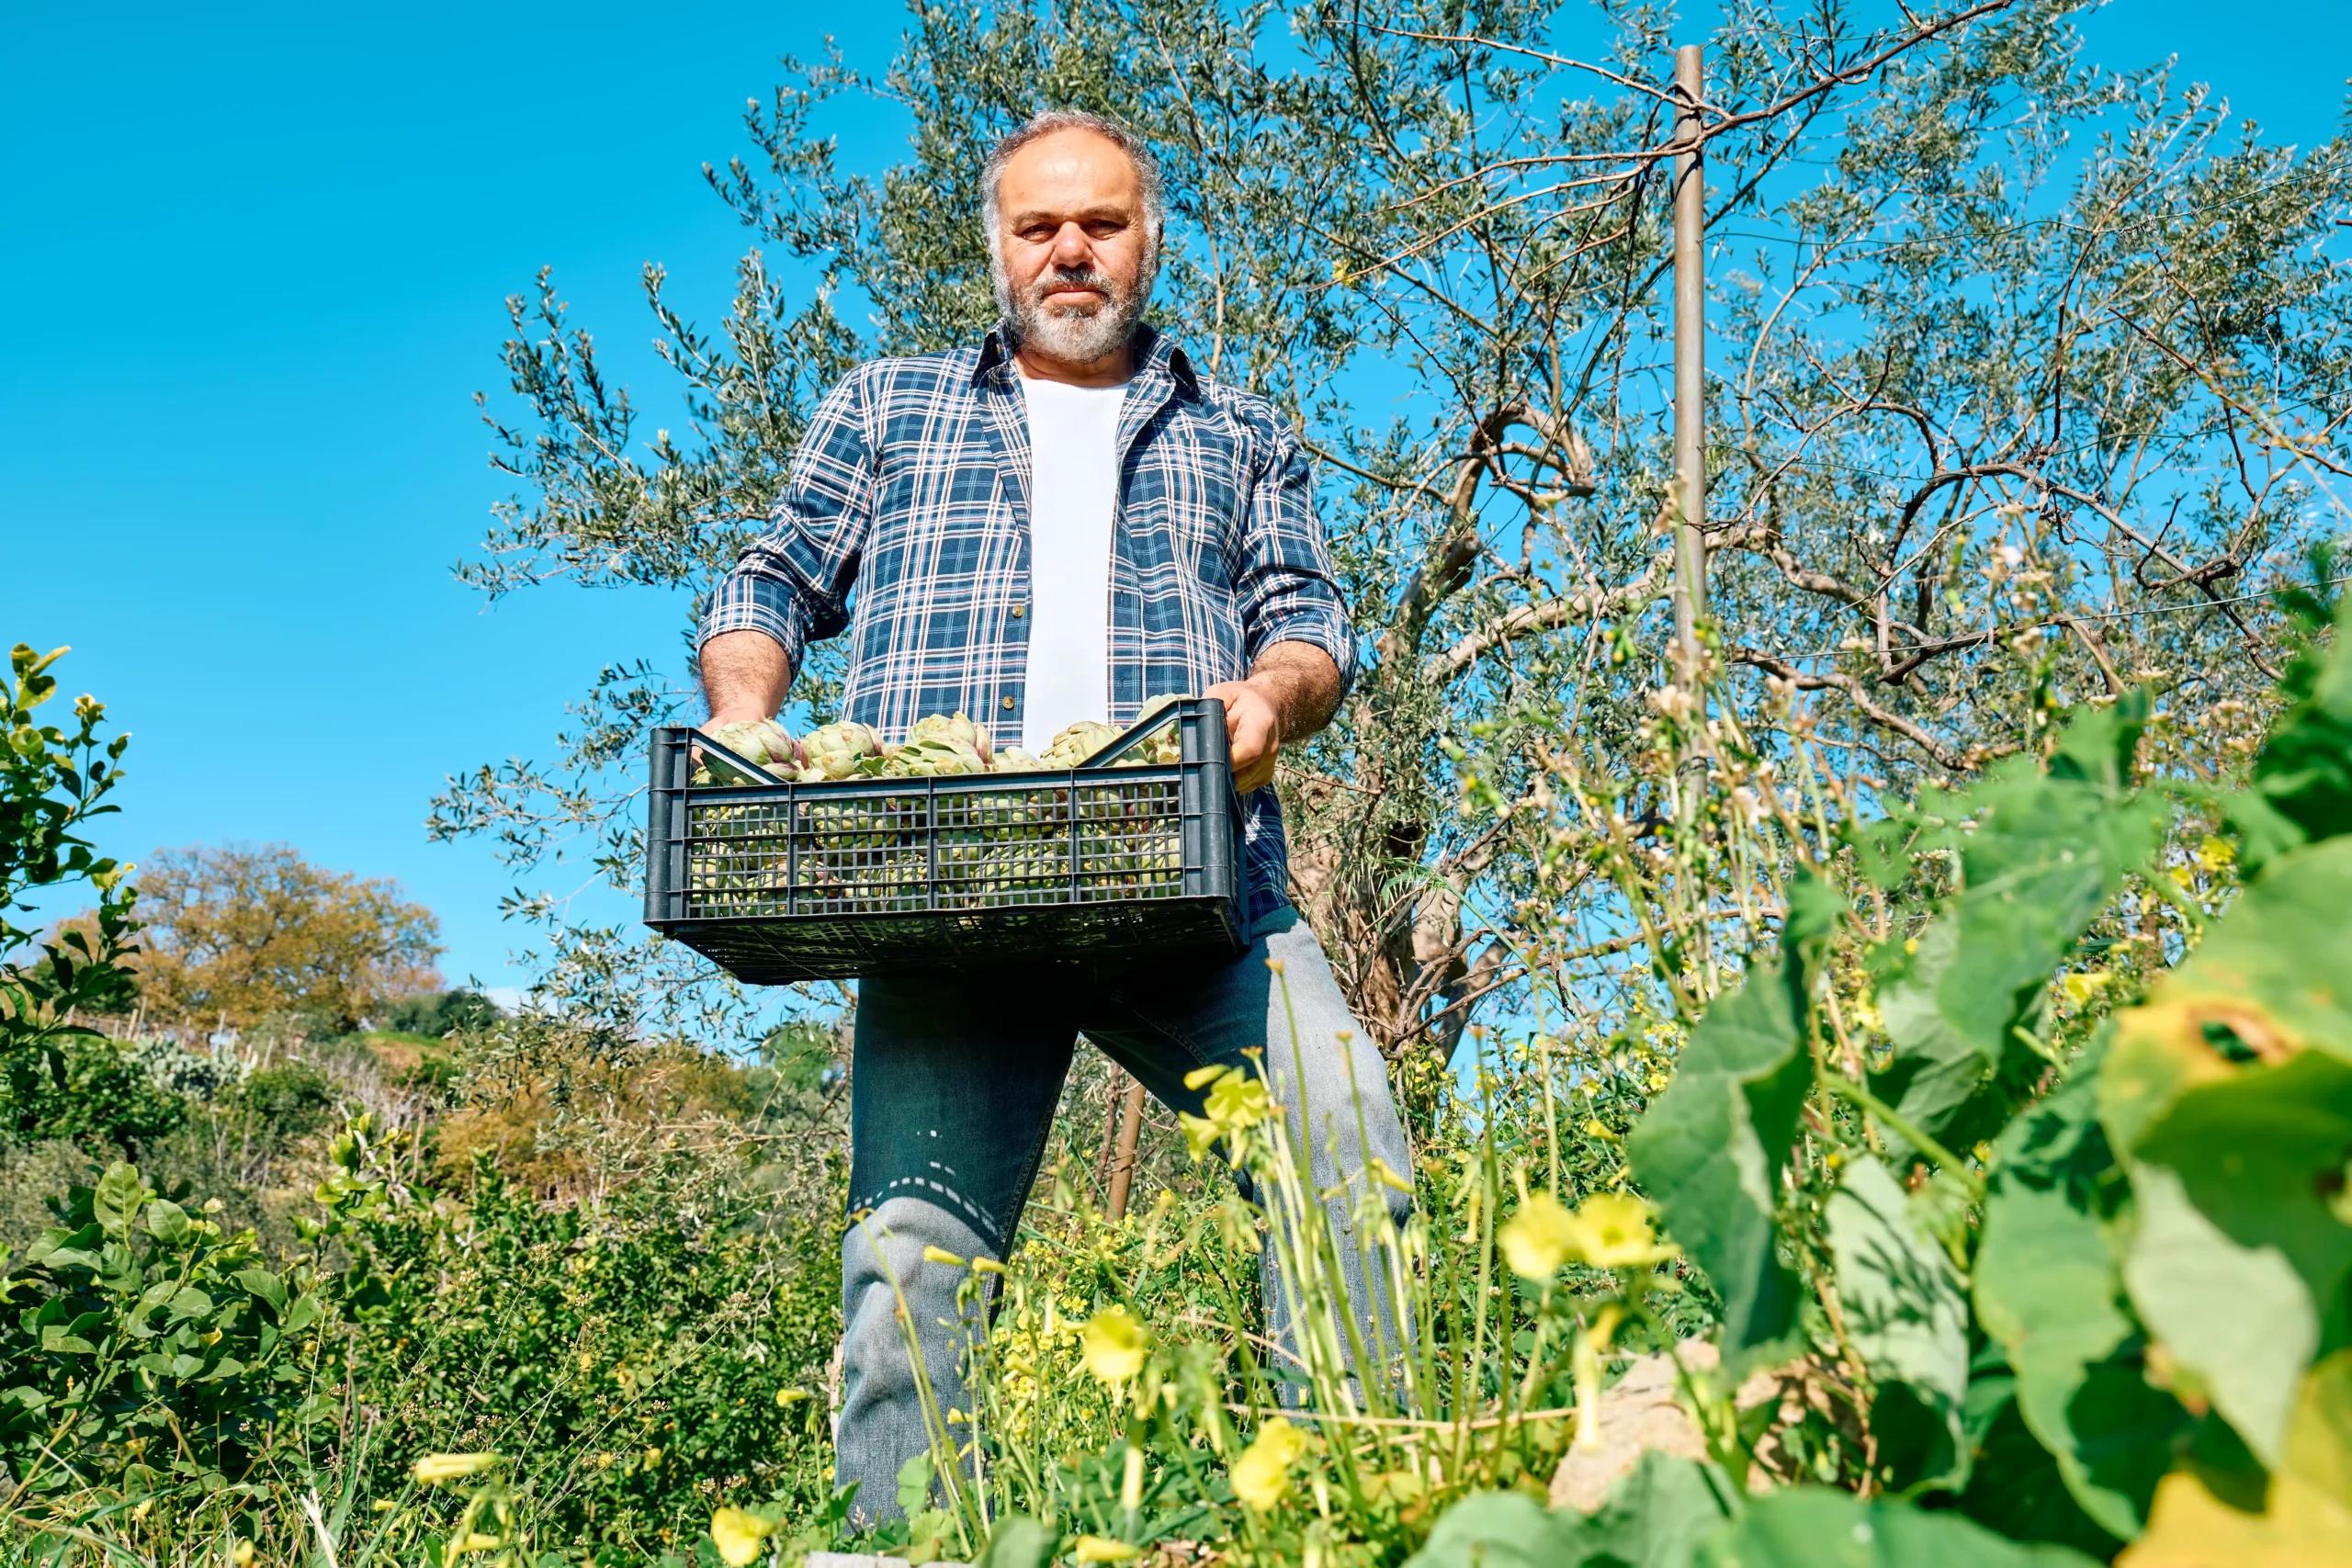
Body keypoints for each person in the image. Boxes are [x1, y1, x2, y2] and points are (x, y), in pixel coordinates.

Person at [695, 108, 1413, 1525]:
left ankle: (1365, 1519)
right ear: (999, 249)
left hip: (1199, 883)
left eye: (1100, 223)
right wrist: (744, 706)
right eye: (1039, 227)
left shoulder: (1241, 428)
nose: (1069, 250)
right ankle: (901, 1550)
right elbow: (770, 578)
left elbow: (1309, 622)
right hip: (942, 890)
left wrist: (1271, 702)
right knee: (912, 1266)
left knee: (1346, 1134)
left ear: (1150, 241)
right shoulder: (888, 405)